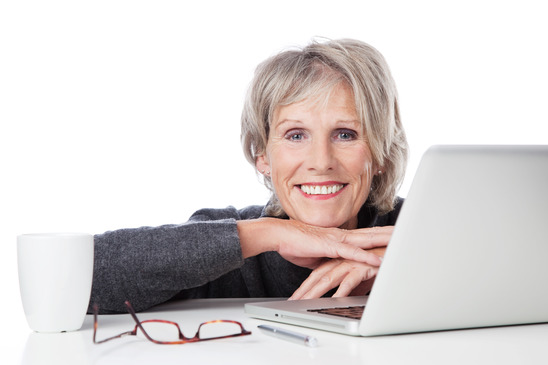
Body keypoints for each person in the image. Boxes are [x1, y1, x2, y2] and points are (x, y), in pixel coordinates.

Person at [89, 38, 408, 314]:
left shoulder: (417, 223)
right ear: (262, 156)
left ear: (381, 153)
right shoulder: (228, 243)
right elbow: (67, 278)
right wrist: (267, 235)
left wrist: (401, 258)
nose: (321, 162)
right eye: (296, 136)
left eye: (345, 134)